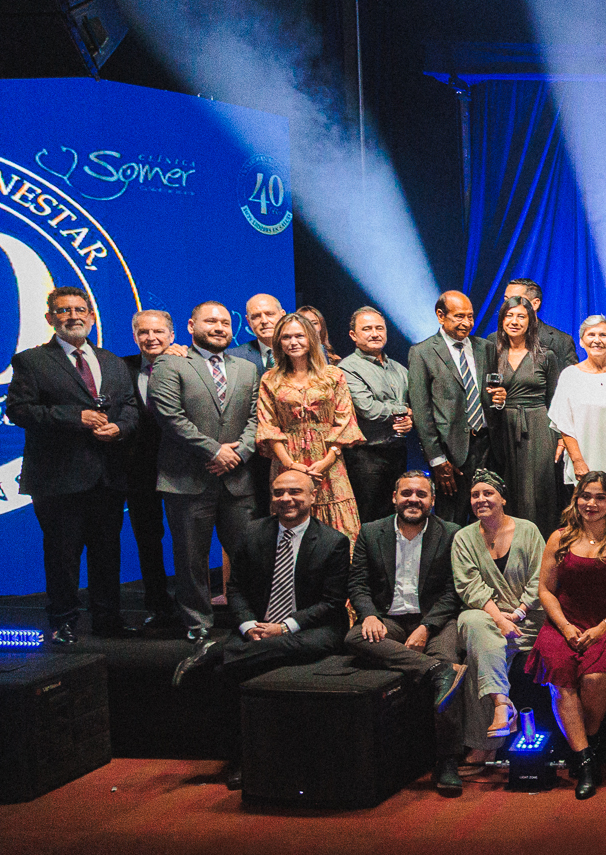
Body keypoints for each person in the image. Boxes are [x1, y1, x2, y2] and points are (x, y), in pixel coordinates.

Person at [173, 469, 350, 787]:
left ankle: (217, 653)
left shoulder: (333, 541)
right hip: (256, 628)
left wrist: (284, 627)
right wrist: (247, 623)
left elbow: (332, 603)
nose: (286, 499)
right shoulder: (251, 533)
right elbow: (236, 587)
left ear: (313, 496)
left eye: (295, 492)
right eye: (279, 492)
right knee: (232, 674)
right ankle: (241, 759)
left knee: (266, 651)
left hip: (313, 630)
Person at [11, 286, 141, 642]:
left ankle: (107, 620)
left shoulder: (112, 361)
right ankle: (63, 623)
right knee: (62, 556)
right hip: (57, 479)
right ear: (50, 318)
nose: (73, 316)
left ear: (92, 315)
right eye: (64, 311)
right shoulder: (31, 361)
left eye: (80, 309)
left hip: (107, 477)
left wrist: (120, 428)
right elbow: (19, 411)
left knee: (107, 553)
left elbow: (129, 407)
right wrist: (76, 417)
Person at [342, 472, 467, 792]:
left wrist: (427, 627)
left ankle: (447, 760)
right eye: (407, 493)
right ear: (394, 497)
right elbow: (358, 583)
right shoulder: (371, 532)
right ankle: (436, 670)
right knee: (355, 637)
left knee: (447, 659)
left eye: (422, 495)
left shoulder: (451, 533)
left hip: (436, 619)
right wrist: (368, 615)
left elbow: (453, 592)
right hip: (389, 618)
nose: (414, 499)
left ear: (433, 501)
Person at [530, 473, 606, 798]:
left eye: (599, 497)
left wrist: (605, 626)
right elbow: (545, 590)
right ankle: (585, 761)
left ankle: (586, 743)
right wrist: (565, 627)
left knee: (595, 680)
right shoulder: (560, 538)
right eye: (585, 496)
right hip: (564, 624)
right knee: (562, 682)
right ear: (576, 499)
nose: (590, 504)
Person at [152, 301, 262, 642]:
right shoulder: (170, 363)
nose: (218, 327)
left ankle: (252, 618)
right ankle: (198, 623)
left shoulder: (247, 368)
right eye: (210, 321)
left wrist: (239, 453)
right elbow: (170, 416)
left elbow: (258, 417)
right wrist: (215, 450)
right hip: (187, 479)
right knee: (191, 559)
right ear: (190, 325)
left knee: (248, 557)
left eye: (225, 322)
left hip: (238, 480)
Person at [449, 471, 545, 762]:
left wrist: (516, 613)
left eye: (487, 493)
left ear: (502, 498)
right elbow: (469, 586)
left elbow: (541, 578)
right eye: (475, 495)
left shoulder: (528, 531)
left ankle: (484, 745)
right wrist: (499, 618)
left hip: (526, 620)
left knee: (477, 657)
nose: (481, 499)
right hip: (486, 618)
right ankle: (502, 705)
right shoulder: (463, 538)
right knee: (475, 623)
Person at [256, 312, 366, 541]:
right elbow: (268, 426)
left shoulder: (333, 375)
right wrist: (290, 465)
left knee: (338, 528)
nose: (293, 342)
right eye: (286, 337)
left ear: (311, 339)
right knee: (291, 516)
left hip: (328, 462)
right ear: (279, 342)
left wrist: (326, 461)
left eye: (299, 336)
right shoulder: (270, 379)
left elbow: (345, 421)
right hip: (287, 462)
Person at [410, 292, 497, 524]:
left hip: (488, 446)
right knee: (452, 522)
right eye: (459, 316)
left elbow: (492, 395)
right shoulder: (422, 352)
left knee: (489, 518)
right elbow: (421, 411)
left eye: (470, 316)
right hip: (451, 454)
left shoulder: (485, 348)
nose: (467, 323)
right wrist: (437, 460)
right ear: (440, 316)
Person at [487, 296, 569, 533]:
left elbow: (556, 400)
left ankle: (543, 548)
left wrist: (562, 438)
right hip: (502, 427)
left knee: (540, 491)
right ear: (502, 320)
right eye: (509, 315)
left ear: (531, 321)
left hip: (538, 427)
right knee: (507, 489)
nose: (514, 321)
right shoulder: (490, 354)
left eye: (521, 316)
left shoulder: (546, 356)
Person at [124, 309, 180, 632]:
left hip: (183, 468)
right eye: (143, 332)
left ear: (172, 336)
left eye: (158, 331)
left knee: (188, 542)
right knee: (148, 540)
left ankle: (191, 606)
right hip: (138, 472)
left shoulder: (188, 364)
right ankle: (158, 606)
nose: (151, 338)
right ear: (135, 337)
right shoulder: (120, 366)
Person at [550, 316, 606, 514]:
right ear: (581, 341)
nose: (597, 340)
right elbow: (564, 423)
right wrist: (577, 461)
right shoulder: (570, 375)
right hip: (584, 464)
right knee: (584, 519)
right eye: (591, 335)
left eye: (603, 335)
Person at [339, 307, 412, 525]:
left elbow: (414, 405)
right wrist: (402, 411)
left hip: (397, 452)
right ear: (353, 335)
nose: (374, 333)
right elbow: (368, 408)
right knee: (371, 519)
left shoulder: (399, 368)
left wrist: (411, 418)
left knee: (397, 516)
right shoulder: (347, 368)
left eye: (379, 328)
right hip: (366, 456)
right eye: (367, 329)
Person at [500, 279, 580, 359]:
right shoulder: (494, 339)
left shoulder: (561, 341)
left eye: (516, 300)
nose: (508, 305)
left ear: (535, 304)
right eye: (506, 300)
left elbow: (569, 371)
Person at [228, 293, 287, 374]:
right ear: (248, 321)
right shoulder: (233, 357)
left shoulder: (302, 353)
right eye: (256, 316)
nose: (264, 321)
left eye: (270, 314)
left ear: (283, 315)